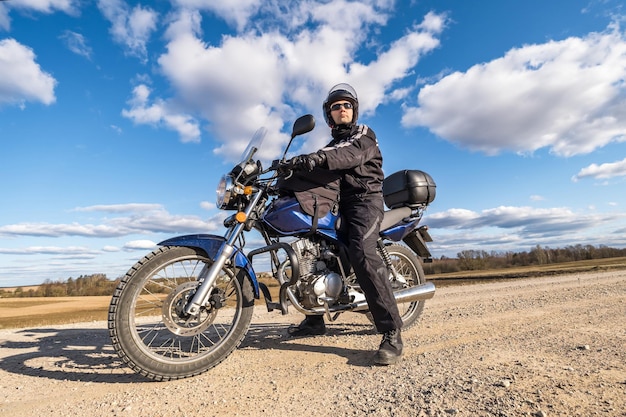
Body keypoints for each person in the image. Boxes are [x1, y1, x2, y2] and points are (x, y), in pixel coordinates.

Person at [286, 83, 404, 365]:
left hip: (366, 201)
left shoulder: (362, 135)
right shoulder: (330, 146)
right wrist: (285, 172)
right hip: (340, 205)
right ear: (329, 114)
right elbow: (320, 170)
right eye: (336, 106)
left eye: (346, 105)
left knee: (362, 250)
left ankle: (391, 331)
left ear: (354, 111)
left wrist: (316, 158)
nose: (342, 109)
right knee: (312, 251)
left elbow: (346, 156)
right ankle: (315, 319)